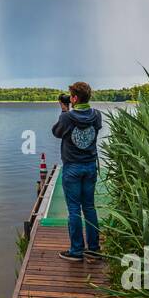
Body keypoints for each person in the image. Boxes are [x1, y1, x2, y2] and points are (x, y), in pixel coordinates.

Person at [51, 81, 102, 262]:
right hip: (90, 167)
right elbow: (95, 129)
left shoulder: (67, 117)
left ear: (74, 98)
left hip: (72, 167)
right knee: (89, 207)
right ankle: (94, 249)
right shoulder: (97, 115)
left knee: (74, 210)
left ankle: (76, 251)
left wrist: (65, 111)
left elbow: (56, 132)